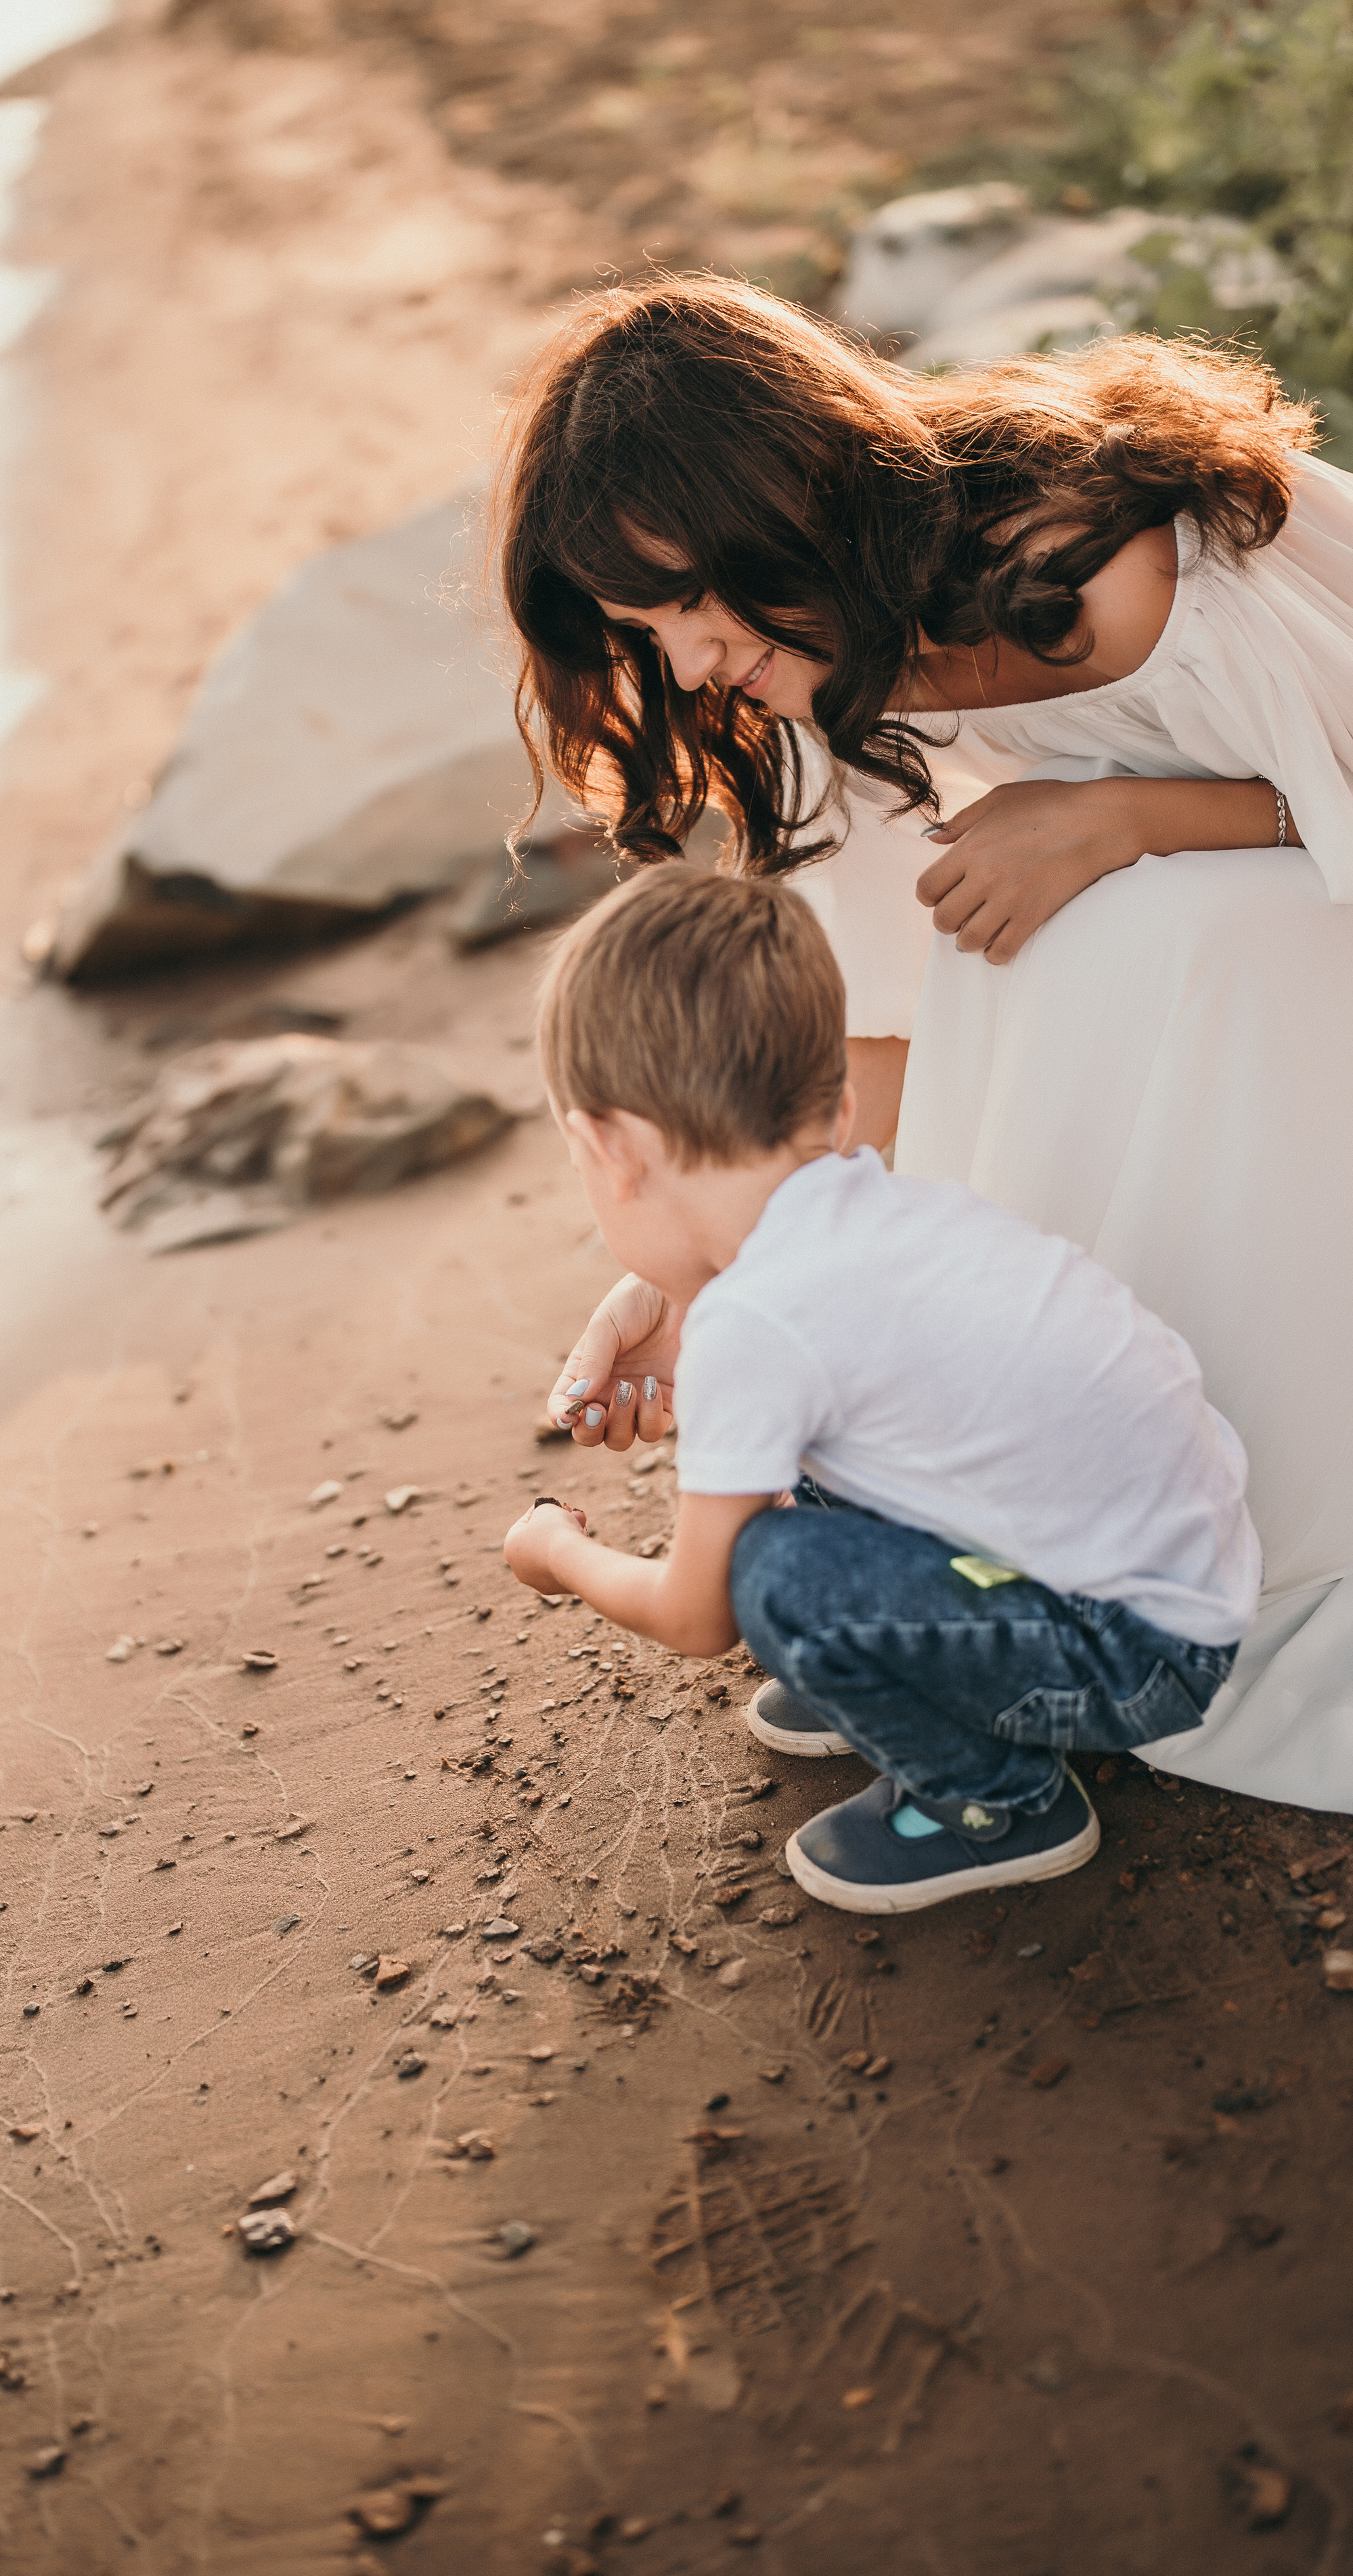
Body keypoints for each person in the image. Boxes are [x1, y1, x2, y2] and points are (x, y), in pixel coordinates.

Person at [496, 278, 1353, 1812]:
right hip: (1252, 1000)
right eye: (640, 631)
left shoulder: (1096, 566)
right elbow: (895, 1039)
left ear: (775, 504)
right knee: (1010, 937)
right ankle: (1055, 1570)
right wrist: (699, 1267)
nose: (682, 663)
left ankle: (1251, 1533)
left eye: (684, 599)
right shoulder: (831, 672)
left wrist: (1129, 820)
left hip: (1304, 951)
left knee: (1142, 926)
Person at [502, 864, 1260, 1912]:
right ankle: (915, 1667)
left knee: (772, 1576)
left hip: (1134, 1655)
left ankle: (995, 1800)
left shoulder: (757, 1322)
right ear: (840, 1106)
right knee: (817, 1483)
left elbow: (696, 1615)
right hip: (1187, 1575)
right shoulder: (881, 1211)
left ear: (610, 1149)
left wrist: (556, 1551)